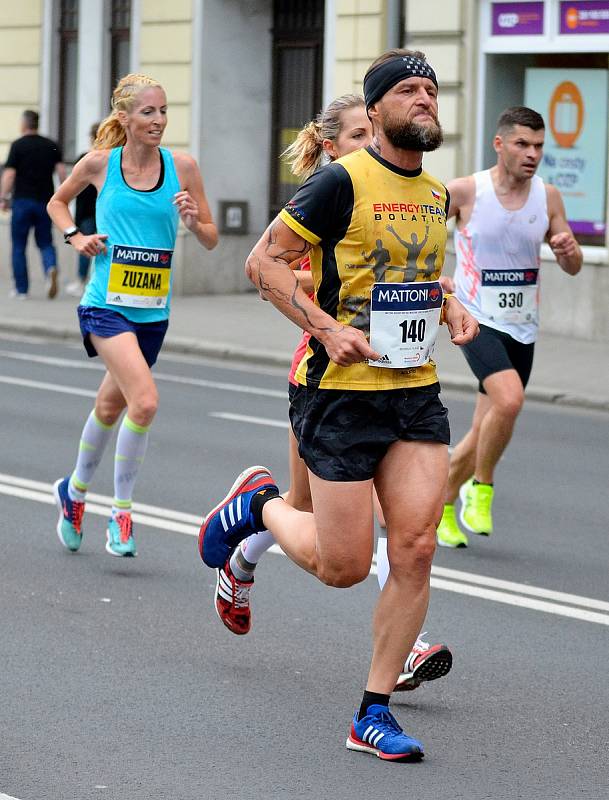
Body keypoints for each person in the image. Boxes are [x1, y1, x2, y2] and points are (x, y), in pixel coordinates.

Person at [199, 49, 478, 761]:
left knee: (415, 546)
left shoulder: (435, 193)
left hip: (413, 391)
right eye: (409, 91)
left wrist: (449, 305)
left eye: (431, 91)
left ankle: (372, 712)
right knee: (342, 566)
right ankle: (259, 505)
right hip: (338, 397)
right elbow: (261, 263)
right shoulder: (338, 182)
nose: (425, 100)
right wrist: (324, 327)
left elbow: (414, 274)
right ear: (378, 107)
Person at [47, 73, 217, 557]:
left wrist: (191, 220)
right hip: (105, 305)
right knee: (143, 402)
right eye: (148, 112)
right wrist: (76, 238)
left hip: (152, 313)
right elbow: (56, 202)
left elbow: (210, 238)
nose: (159, 121)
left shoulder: (182, 166)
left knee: (109, 406)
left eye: (163, 111)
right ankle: (121, 513)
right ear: (124, 118)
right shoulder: (101, 164)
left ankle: (73, 492)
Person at [436, 106, 582, 548]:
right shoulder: (465, 192)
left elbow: (572, 266)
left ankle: (439, 504)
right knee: (511, 400)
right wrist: (437, 287)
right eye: (522, 143)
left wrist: (567, 249)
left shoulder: (548, 197)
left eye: (538, 146)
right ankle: (480, 489)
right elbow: (418, 237)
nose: (532, 153)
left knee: (487, 425)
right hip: (478, 318)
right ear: (499, 144)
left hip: (523, 324)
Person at [0, 109, 66, 299]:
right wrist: (63, 197)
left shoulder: (18, 145)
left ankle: (21, 290)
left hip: (21, 201)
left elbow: (10, 174)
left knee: (19, 246)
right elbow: (62, 172)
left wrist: (3, 198)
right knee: (45, 242)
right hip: (45, 202)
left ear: (24, 124)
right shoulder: (51, 145)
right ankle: (50, 267)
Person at [66, 122, 100, 297]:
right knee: (103, 249)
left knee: (85, 247)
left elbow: (78, 193)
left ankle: (81, 281)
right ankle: (96, 282)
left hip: (87, 213)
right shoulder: (111, 160)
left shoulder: (85, 159)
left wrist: (75, 218)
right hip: (102, 214)